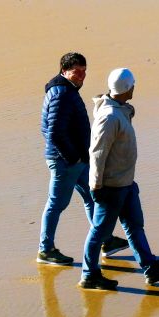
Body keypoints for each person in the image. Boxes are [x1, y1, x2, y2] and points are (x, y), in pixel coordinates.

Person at [79, 68, 159, 290]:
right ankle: (89, 275)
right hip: (111, 188)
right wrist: (96, 185)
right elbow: (97, 152)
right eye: (133, 84)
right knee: (99, 231)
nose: (135, 87)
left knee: (135, 226)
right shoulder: (109, 117)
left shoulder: (121, 111)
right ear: (127, 88)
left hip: (126, 184)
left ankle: (151, 268)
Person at [38, 52, 128, 266]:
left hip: (75, 160)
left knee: (91, 197)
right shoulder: (61, 93)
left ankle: (105, 240)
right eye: (77, 72)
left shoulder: (66, 90)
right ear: (64, 70)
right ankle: (45, 249)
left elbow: (49, 129)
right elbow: (53, 132)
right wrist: (74, 157)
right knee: (56, 204)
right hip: (66, 161)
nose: (81, 76)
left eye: (84, 72)